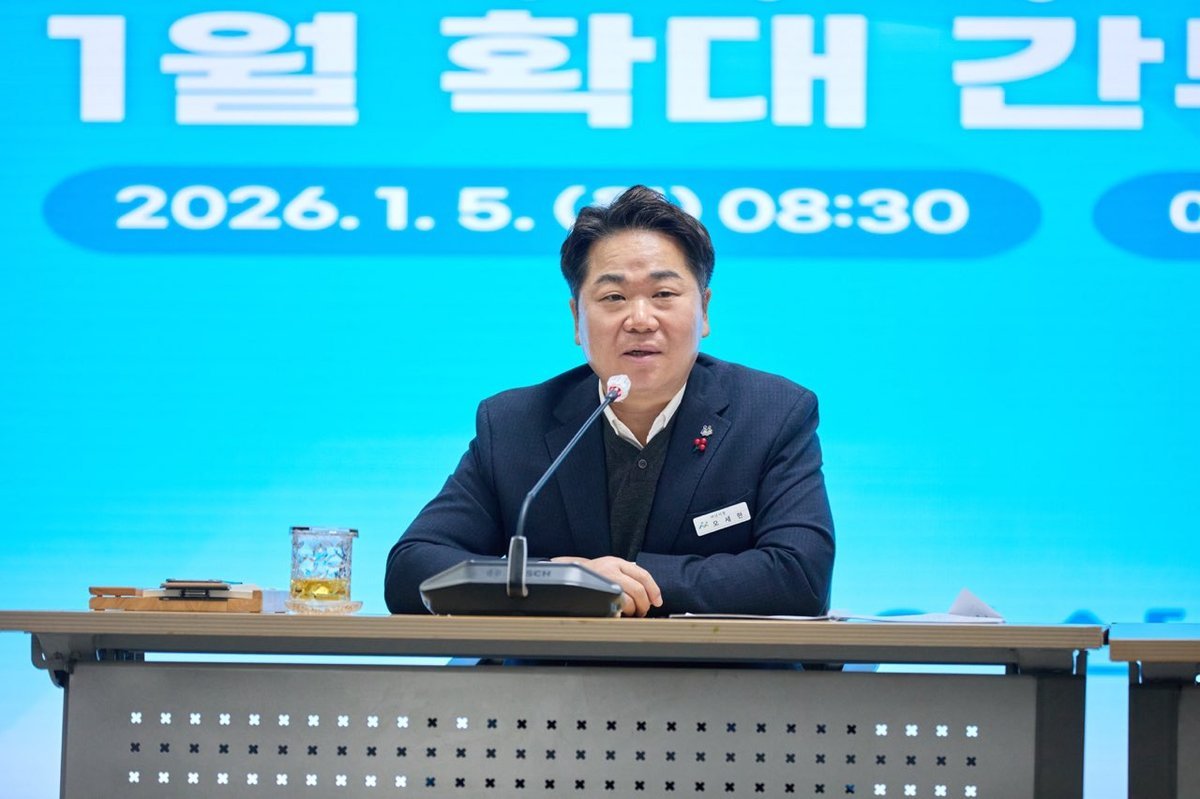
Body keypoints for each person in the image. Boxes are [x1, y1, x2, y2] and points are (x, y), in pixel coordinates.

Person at [384, 186, 834, 617]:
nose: (640, 320)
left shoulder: (772, 414)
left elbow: (801, 576)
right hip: (551, 670)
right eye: (613, 297)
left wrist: (625, 583)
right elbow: (411, 569)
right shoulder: (514, 424)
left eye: (663, 294)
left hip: (716, 670)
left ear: (704, 310)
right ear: (577, 319)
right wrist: (558, 579)